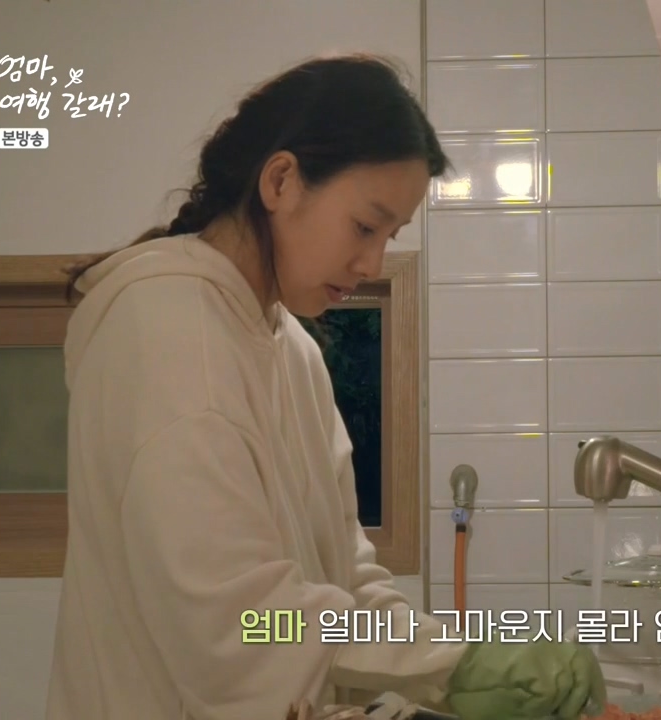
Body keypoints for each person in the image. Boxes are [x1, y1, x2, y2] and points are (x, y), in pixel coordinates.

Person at [47, 54, 606, 720]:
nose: (372, 263)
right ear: (281, 181)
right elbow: (242, 622)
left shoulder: (291, 350)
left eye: (390, 235)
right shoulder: (169, 332)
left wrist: (450, 660)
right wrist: (450, 667)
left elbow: (349, 576)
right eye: (365, 226)